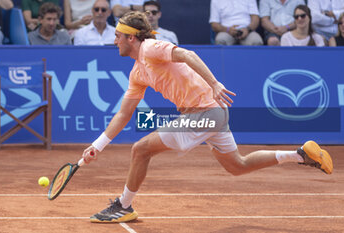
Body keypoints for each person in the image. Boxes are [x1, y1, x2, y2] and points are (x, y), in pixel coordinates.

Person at [81, 11, 333, 223]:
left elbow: (187, 55)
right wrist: (97, 145)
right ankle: (300, 155)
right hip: (210, 114)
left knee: (141, 149)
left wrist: (214, 83)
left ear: (132, 38)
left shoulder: (150, 47)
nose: (115, 41)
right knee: (237, 165)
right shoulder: (137, 72)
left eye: (118, 36)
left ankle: (124, 206)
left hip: (205, 112)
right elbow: (124, 113)